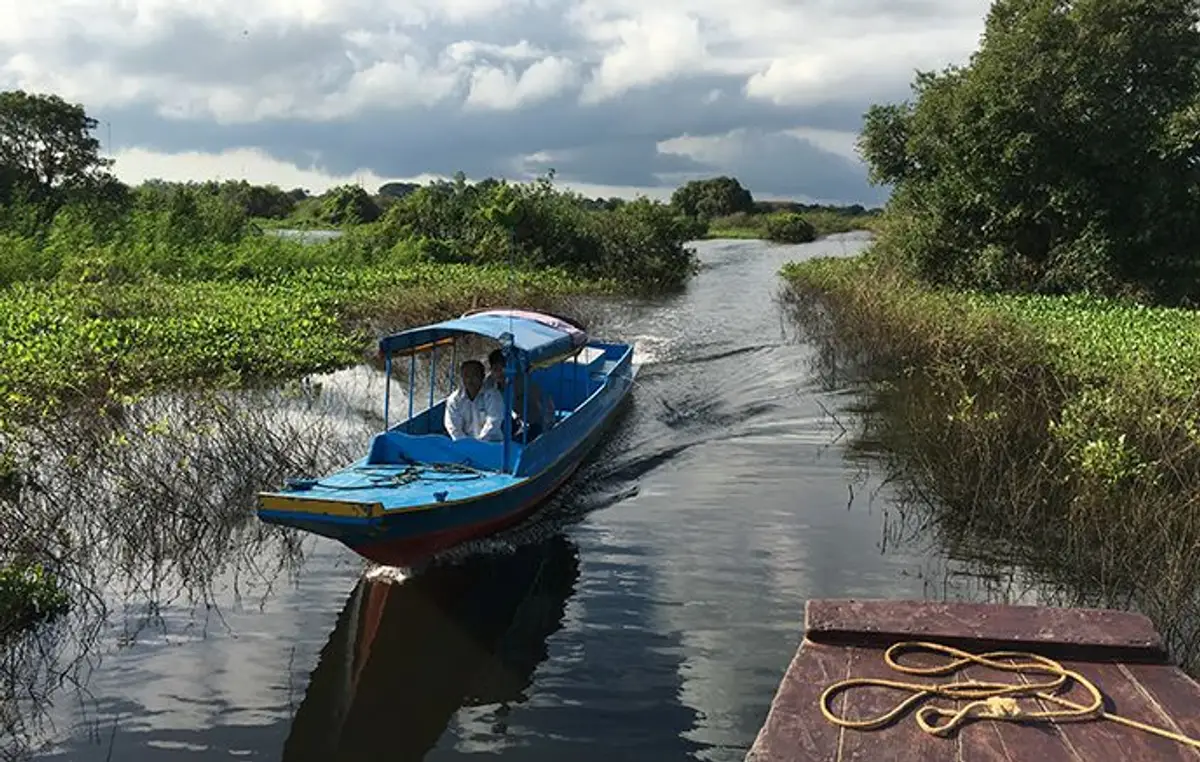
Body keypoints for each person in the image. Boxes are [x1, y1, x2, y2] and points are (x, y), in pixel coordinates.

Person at [486, 348, 555, 440]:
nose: (500, 373)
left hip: (535, 423)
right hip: (509, 423)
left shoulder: (523, 383)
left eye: (503, 368)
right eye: (496, 369)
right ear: (491, 370)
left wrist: (547, 427)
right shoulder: (490, 383)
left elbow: (544, 403)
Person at [443, 359, 505, 442]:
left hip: (491, 445)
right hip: (463, 447)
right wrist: (465, 445)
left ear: (482, 376)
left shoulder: (492, 395)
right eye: (466, 376)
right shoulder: (454, 400)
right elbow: (453, 428)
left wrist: (479, 445)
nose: (470, 380)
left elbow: (493, 423)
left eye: (474, 375)